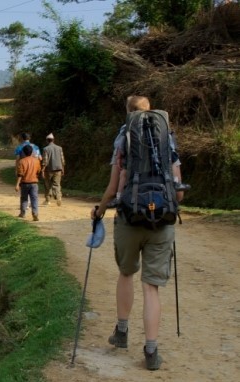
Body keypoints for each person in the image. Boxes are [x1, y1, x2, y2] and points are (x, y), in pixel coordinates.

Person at [92, 95, 185, 371]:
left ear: (128, 113)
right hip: (162, 219)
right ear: (152, 110)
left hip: (130, 217)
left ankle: (122, 332)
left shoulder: (123, 138)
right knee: (151, 287)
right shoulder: (167, 135)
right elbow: (178, 189)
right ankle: (152, 350)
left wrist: (99, 211)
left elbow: (113, 187)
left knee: (126, 273)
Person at [15, 144, 41, 221]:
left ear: (24, 152)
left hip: (25, 183)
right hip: (34, 183)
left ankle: (22, 213)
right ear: (32, 152)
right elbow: (38, 171)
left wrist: (17, 185)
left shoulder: (22, 161)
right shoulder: (36, 161)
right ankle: (35, 213)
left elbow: (20, 174)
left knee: (24, 199)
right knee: (34, 199)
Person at [41, 133, 65, 206]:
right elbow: (62, 159)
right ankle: (59, 197)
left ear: (47, 140)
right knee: (57, 184)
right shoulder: (59, 148)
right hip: (58, 169)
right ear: (53, 140)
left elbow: (45, 160)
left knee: (48, 184)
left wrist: (42, 170)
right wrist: (62, 168)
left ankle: (48, 200)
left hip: (49, 170)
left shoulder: (46, 149)